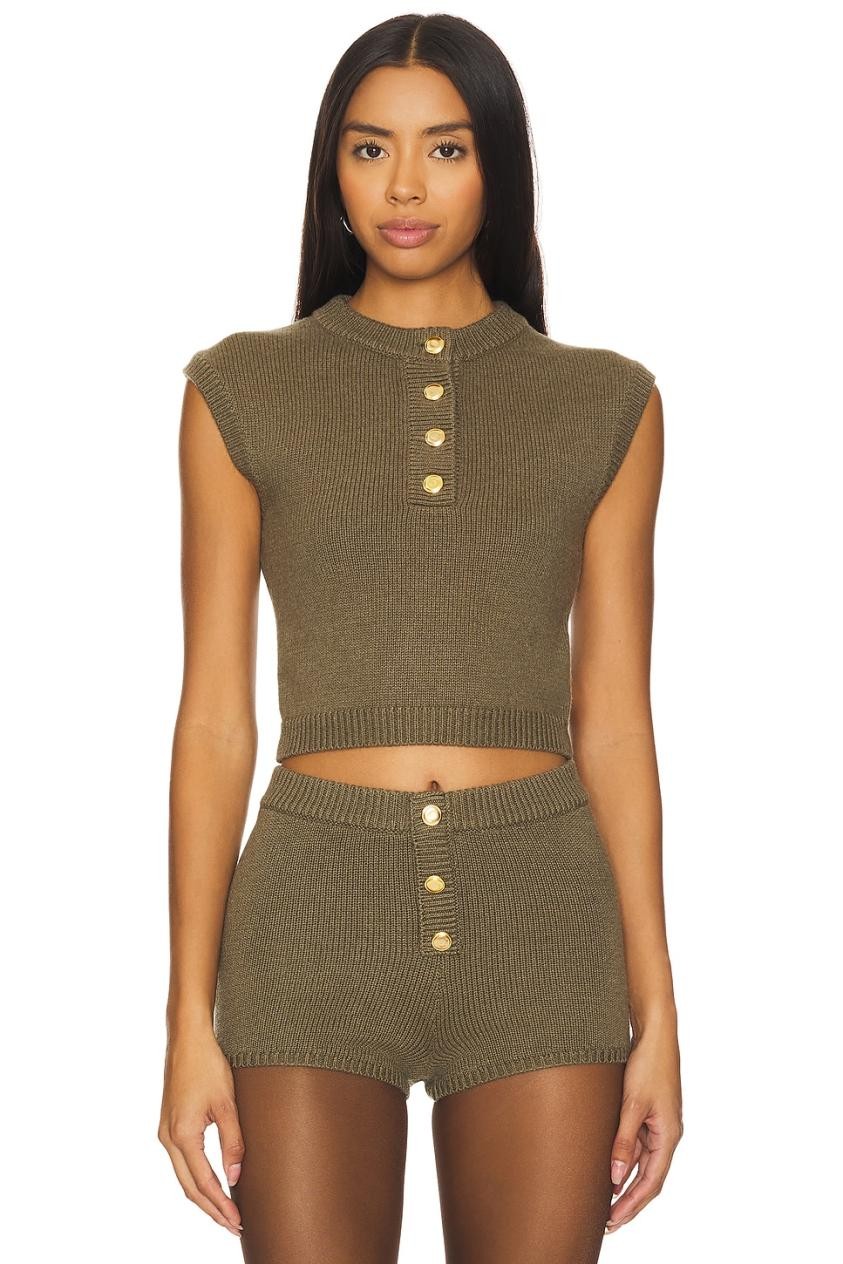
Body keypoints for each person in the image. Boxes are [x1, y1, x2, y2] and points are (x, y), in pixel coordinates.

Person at [158, 13, 682, 1262]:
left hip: (541, 919)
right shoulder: (238, 388)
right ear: (331, 172)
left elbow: (615, 722)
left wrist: (658, 1010)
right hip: (310, 917)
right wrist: (185, 1016)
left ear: (497, 166)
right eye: (369, 148)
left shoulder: (607, 401)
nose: (404, 187)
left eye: (446, 149)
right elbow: (216, 716)